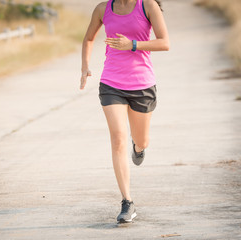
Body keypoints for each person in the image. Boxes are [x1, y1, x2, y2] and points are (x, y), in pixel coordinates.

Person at [80, 0, 170, 223]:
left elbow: (165, 43)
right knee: (118, 138)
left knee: (142, 140)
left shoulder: (148, 6)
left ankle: (138, 148)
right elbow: (89, 38)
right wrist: (85, 66)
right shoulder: (103, 9)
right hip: (111, 83)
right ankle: (127, 202)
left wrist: (132, 44)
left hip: (142, 84)